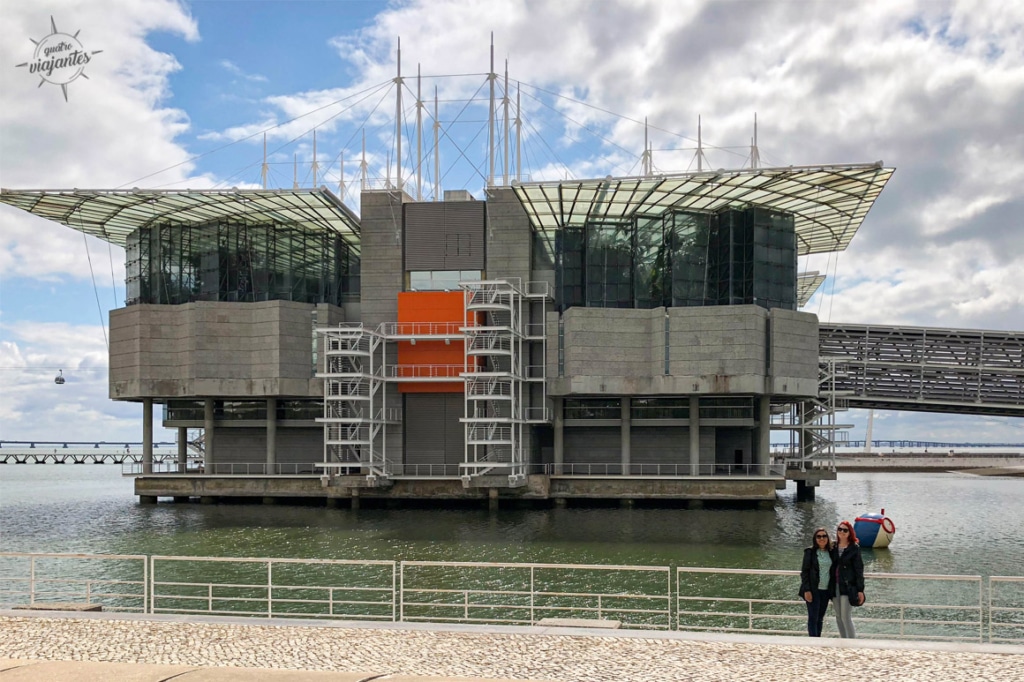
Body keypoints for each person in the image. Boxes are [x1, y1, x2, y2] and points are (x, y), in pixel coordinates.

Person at [799, 527, 836, 637]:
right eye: (818, 536)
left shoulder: (831, 552)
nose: (821, 538)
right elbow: (804, 572)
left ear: (828, 538)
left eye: (824, 536)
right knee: (813, 618)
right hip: (813, 589)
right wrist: (807, 590)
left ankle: (818, 641)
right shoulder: (810, 552)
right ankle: (813, 642)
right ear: (815, 539)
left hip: (825, 590)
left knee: (820, 618)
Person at [833, 520, 865, 638]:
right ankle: (843, 640)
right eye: (840, 529)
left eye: (845, 530)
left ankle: (852, 643)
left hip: (848, 585)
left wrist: (860, 589)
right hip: (834, 585)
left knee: (845, 616)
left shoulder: (854, 548)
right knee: (838, 616)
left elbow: (859, 570)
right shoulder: (833, 546)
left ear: (850, 532)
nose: (842, 532)